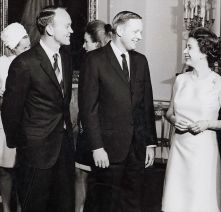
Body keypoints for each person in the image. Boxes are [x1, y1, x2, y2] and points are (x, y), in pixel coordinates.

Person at [78, 11, 157, 212]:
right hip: (107, 149)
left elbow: (146, 105)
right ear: (120, 31)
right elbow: (89, 109)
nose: (140, 36)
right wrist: (96, 147)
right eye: (136, 31)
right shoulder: (94, 60)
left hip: (137, 149)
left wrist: (149, 143)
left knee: (132, 203)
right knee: (103, 204)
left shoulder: (141, 61)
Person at [1, 6, 75, 212]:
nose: (72, 30)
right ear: (50, 29)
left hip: (64, 150)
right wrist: (25, 145)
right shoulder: (25, 63)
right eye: (67, 25)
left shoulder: (66, 59)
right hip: (35, 154)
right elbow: (10, 111)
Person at [161, 27, 221, 212]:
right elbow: (169, 112)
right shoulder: (181, 80)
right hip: (179, 148)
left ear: (204, 52)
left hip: (203, 152)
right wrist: (173, 119)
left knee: (200, 201)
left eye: (189, 48)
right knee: (175, 201)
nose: (185, 51)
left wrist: (207, 124)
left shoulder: (219, 83)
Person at [75, 20, 112, 212]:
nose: (83, 46)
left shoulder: (91, 63)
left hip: (93, 131)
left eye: (86, 42)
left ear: (97, 44)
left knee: (83, 174)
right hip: (99, 131)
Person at [0, 22, 30, 212]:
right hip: (3, 124)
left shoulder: (29, 64)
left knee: (23, 169)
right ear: (13, 47)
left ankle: (21, 207)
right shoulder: (1, 64)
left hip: (25, 123)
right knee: (5, 168)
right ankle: (5, 207)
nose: (28, 51)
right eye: (24, 48)